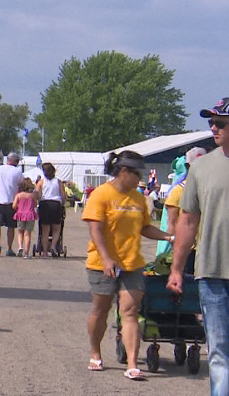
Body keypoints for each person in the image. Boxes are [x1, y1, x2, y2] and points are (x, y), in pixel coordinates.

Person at [168, 97, 229, 395]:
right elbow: (187, 222)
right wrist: (176, 268)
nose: (214, 128)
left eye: (220, 122)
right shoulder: (201, 168)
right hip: (211, 274)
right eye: (211, 122)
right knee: (219, 354)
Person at [84, 150, 171, 380]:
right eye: (136, 173)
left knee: (130, 312)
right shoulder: (101, 195)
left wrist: (169, 237)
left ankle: (132, 364)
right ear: (123, 172)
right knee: (100, 311)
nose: (139, 178)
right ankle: (95, 352)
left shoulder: (138, 198)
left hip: (132, 263)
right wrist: (106, 258)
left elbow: (145, 228)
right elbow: (95, 229)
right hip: (101, 263)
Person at [156, 147, 204, 258]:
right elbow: (171, 223)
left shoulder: (209, 189)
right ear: (188, 166)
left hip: (205, 247)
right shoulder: (178, 190)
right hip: (187, 247)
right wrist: (174, 245)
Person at [0, 152, 23, 257]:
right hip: (11, 202)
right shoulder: (17, 172)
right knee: (11, 226)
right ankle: (9, 248)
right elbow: (22, 185)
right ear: (15, 161)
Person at [35, 163, 66, 257]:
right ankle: (53, 246)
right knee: (56, 228)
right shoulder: (58, 182)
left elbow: (38, 194)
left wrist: (38, 203)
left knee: (45, 230)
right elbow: (63, 195)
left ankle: (44, 252)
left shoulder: (41, 182)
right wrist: (62, 205)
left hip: (45, 204)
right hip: (56, 204)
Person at [12, 178, 38, 259]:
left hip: (20, 214)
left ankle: (20, 247)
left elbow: (14, 205)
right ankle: (26, 253)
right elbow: (35, 204)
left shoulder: (19, 195)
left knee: (20, 232)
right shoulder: (31, 195)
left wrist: (18, 208)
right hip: (30, 215)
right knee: (27, 234)